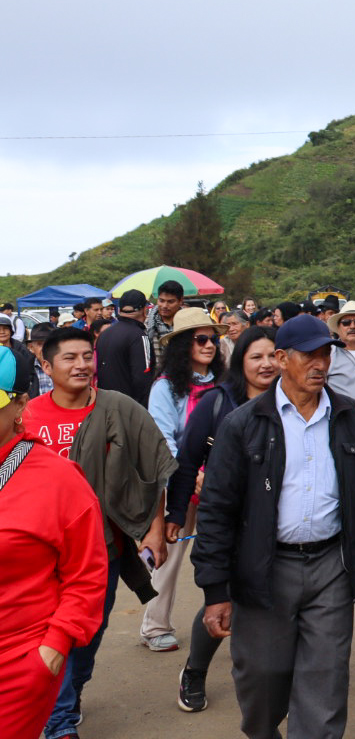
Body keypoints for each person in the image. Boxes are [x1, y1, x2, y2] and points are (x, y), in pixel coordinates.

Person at [190, 313, 355, 739]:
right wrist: (215, 590)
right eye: (308, 356)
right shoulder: (243, 425)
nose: (319, 364)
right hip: (264, 569)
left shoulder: (352, 417)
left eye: (325, 355)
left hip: (332, 567)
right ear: (282, 358)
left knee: (326, 680)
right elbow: (216, 510)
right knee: (261, 678)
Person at [22, 326, 177, 739]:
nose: (81, 365)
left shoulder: (119, 407)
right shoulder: (27, 416)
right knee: (53, 632)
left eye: (87, 356)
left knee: (87, 633)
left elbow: (154, 466)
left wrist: (155, 530)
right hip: (38, 552)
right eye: (70, 358)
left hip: (98, 547)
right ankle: (60, 723)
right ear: (46, 365)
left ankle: (65, 694)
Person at [167, 325, 282, 714]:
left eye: (273, 356)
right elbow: (187, 461)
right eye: (256, 357)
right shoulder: (218, 402)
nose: (266, 364)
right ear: (240, 362)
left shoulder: (298, 400)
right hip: (230, 518)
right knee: (225, 596)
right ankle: (195, 670)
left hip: (283, 517)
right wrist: (175, 514)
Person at [0, 351, 110, 739]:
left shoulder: (58, 479)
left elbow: (88, 574)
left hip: (17, 664)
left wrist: (53, 648)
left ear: (19, 404)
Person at [141, 308, 227, 654]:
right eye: (200, 339)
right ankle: (155, 625)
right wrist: (191, 477)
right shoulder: (165, 389)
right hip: (180, 485)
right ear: (181, 345)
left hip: (222, 484)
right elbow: (163, 439)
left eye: (213, 339)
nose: (209, 345)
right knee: (170, 555)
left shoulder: (225, 383)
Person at [95, 288, 152, 402]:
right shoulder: (140, 336)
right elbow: (143, 377)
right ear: (144, 310)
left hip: (105, 402)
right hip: (131, 407)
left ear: (120, 309)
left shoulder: (104, 334)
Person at [0, 314, 37, 396]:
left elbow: (30, 373)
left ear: (11, 331)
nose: (2, 332)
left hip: (20, 392)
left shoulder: (21, 349)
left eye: (5, 329)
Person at [148, 279, 185, 346]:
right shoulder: (148, 323)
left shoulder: (188, 322)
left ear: (181, 301)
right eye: (161, 301)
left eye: (170, 302)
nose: (165, 306)